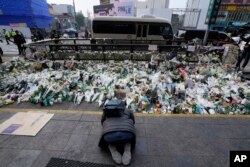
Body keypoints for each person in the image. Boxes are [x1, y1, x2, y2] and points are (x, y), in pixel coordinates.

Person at [99, 99, 136, 166]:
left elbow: (102, 122)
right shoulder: (128, 110)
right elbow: (133, 122)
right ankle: (127, 150)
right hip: (127, 134)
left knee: (110, 139)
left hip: (108, 136)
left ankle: (113, 149)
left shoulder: (106, 111)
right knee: (127, 139)